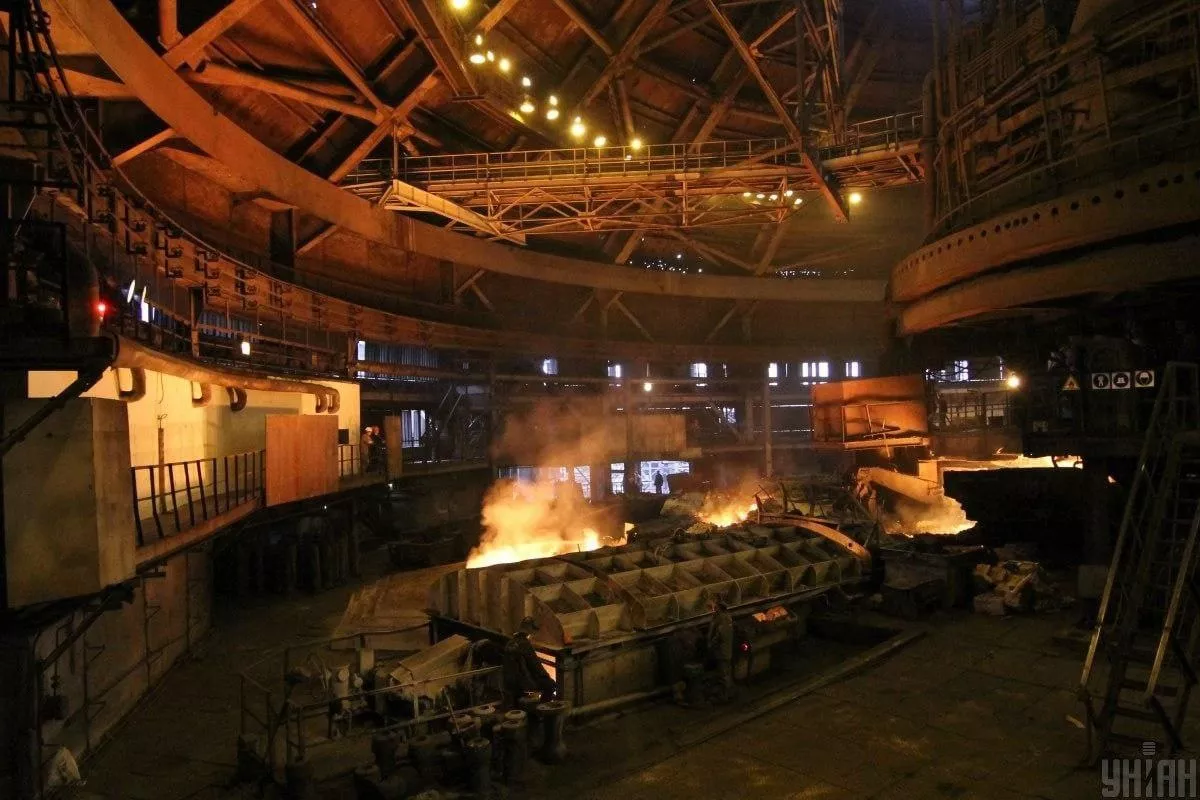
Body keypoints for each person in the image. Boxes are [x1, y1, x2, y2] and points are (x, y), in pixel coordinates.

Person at [502, 616, 556, 706]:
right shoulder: (525, 644)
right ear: (530, 630)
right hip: (522, 684)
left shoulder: (510, 642)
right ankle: (541, 708)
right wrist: (547, 677)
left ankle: (519, 705)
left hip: (508, 682)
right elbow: (536, 666)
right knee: (551, 685)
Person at [706, 598, 734, 701]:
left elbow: (720, 635)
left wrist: (711, 643)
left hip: (723, 652)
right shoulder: (724, 617)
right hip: (723, 651)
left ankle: (725, 696)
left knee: (724, 674)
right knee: (724, 673)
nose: (714, 608)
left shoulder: (723, 619)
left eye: (716, 607)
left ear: (720, 608)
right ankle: (725, 693)